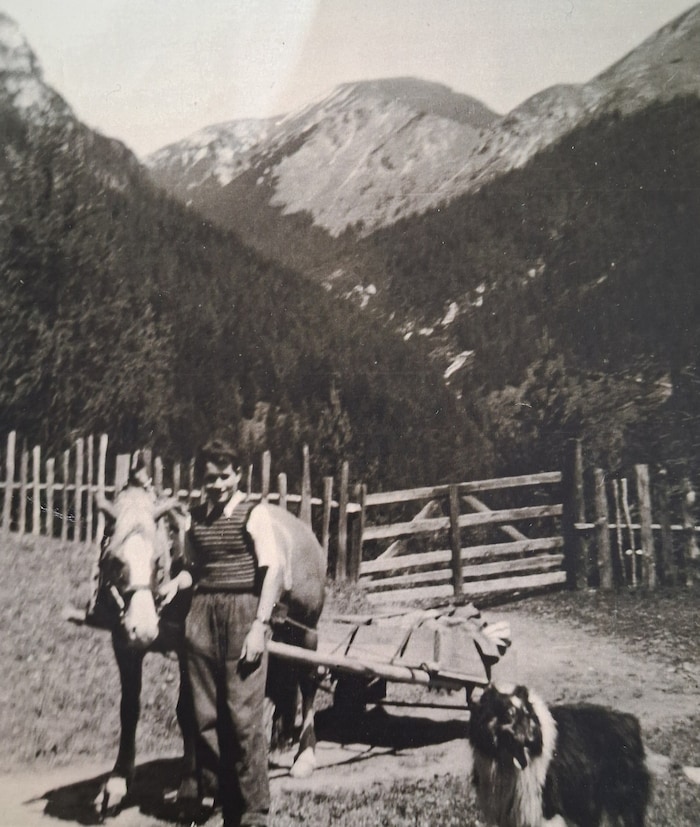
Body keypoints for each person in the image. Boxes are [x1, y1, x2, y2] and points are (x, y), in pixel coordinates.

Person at [159, 438, 286, 827]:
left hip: (242, 613)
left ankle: (252, 810)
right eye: (210, 478)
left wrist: (259, 626)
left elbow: (273, 573)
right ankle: (215, 800)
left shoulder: (255, 513)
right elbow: (193, 568)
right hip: (201, 614)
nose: (216, 484)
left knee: (243, 715)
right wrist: (174, 583)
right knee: (203, 715)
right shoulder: (194, 517)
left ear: (238, 475)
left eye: (224, 476)